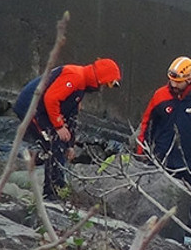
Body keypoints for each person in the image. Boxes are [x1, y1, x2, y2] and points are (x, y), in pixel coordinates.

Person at [13, 58, 122, 200]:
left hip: (42, 109)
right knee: (54, 144)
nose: (102, 89)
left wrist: (70, 145)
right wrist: (58, 126)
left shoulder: (81, 86)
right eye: (106, 84)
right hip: (31, 107)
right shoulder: (75, 77)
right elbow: (51, 99)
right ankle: (52, 191)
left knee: (59, 144)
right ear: (100, 78)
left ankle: (51, 178)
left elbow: (71, 116)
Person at [137, 56, 191, 238]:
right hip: (162, 156)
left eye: (178, 81)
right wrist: (142, 150)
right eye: (172, 80)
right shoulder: (160, 95)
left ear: (189, 79)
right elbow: (146, 123)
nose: (173, 84)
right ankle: (157, 232)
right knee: (157, 197)